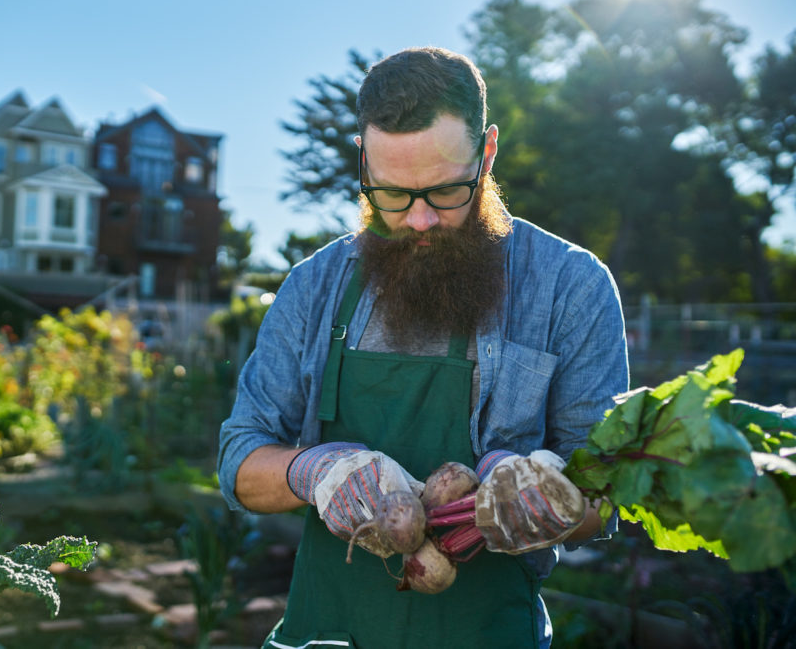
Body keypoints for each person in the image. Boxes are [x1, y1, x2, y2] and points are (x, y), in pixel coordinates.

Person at [217, 46, 629, 649]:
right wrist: (315, 470)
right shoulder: (315, 284)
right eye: (390, 194)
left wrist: (553, 496)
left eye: (444, 192)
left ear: (486, 154)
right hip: (324, 634)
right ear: (364, 159)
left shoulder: (570, 286)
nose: (417, 220)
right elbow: (239, 463)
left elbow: (604, 496)